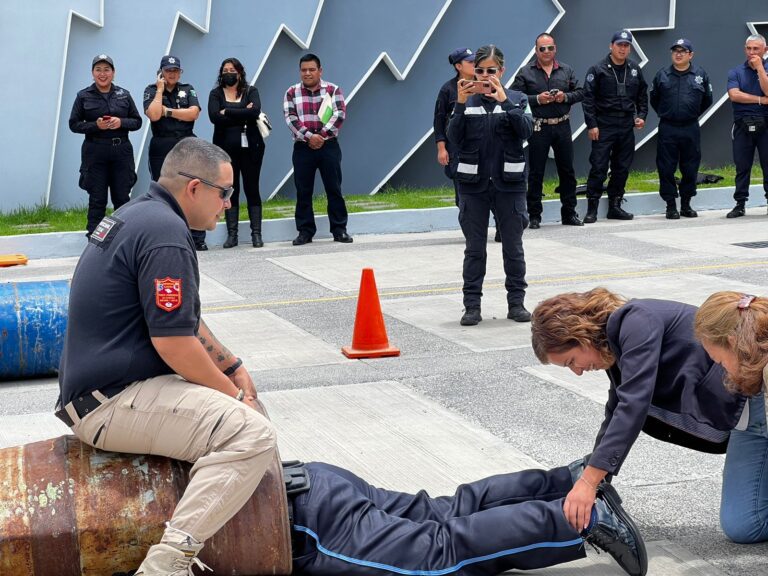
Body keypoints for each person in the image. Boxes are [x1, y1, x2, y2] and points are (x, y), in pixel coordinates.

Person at [56, 138, 277, 575]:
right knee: (252, 435)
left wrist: (232, 368)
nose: (229, 204)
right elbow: (173, 344)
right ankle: (167, 565)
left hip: (109, 389)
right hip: (110, 403)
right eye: (225, 193)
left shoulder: (142, 214)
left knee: (249, 412)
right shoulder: (166, 235)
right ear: (195, 188)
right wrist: (234, 399)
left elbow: (182, 321)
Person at [530, 288, 746, 534]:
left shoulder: (637, 320)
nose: (577, 372)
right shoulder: (614, 345)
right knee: (742, 528)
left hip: (751, 403)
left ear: (581, 335)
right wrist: (592, 479)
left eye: (570, 361)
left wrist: (589, 482)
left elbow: (633, 404)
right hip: (737, 421)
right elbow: (615, 409)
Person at [286, 459, 647, 576]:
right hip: (305, 478)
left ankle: (581, 517)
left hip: (303, 521)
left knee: (437, 553)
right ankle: (563, 482)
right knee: (440, 511)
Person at [447, 44, 533, 327]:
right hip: (474, 187)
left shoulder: (518, 98)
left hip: (510, 185)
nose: (485, 76)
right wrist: (459, 104)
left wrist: (505, 101)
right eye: (480, 70)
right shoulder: (465, 100)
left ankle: (516, 303)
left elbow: (526, 131)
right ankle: (472, 306)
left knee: (513, 247)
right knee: (474, 249)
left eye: (491, 71)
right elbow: (454, 138)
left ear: (502, 71)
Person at [694, 292, 768, 543]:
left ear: (733, 341)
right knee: (743, 525)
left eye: (720, 360)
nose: (721, 367)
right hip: (755, 415)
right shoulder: (755, 359)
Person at [512, 33, 584, 228]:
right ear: (536, 50)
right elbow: (514, 97)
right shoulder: (525, 72)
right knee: (536, 172)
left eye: (549, 48)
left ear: (555, 49)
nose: (546, 52)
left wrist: (564, 97)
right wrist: (537, 99)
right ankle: (534, 215)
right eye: (542, 48)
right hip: (538, 125)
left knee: (567, 171)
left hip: (562, 124)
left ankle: (569, 213)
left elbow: (581, 92)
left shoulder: (566, 70)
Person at [69, 54, 142, 236]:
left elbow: (137, 121)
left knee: (122, 199)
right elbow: (74, 124)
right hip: (95, 151)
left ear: (113, 73)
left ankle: (124, 239)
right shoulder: (83, 96)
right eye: (98, 70)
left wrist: (121, 123)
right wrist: (96, 126)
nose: (103, 74)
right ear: (92, 73)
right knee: (97, 199)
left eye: (107, 69)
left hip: (121, 152)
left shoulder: (124, 95)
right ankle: (94, 242)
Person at [283, 53, 352, 245]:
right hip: (303, 147)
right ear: (300, 72)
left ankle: (339, 230)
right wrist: (309, 136)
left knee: (334, 188)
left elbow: (339, 114)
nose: (307, 73)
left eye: (311, 69)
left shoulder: (333, 90)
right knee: (303, 190)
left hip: (328, 146)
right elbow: (290, 118)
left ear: (320, 71)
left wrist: (321, 135)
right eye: (304, 70)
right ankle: (305, 232)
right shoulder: (291, 92)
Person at [434, 48, 501, 243]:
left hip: (484, 145)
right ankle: (472, 230)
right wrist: (441, 147)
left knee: (493, 186)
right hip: (458, 147)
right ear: (458, 66)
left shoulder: (487, 84)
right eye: (470, 62)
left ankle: (501, 227)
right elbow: (439, 120)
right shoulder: (448, 89)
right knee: (463, 190)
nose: (475, 65)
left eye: (476, 62)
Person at [582, 30, 648, 224]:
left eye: (626, 45)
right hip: (604, 125)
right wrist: (591, 125)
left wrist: (641, 116)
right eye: (619, 45)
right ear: (611, 46)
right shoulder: (598, 69)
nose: (623, 48)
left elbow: (642, 96)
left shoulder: (635, 69)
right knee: (599, 166)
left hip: (626, 125)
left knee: (622, 167)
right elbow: (588, 99)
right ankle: (592, 208)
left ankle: (615, 206)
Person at [143, 55, 205, 250]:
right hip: (161, 145)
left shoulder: (188, 89)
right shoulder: (151, 90)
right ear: (161, 72)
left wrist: (168, 112)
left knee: (193, 189)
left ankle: (196, 237)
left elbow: (193, 113)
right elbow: (153, 114)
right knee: (164, 190)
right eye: (168, 71)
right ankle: (165, 235)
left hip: (186, 143)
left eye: (175, 71)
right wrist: (160, 90)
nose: (172, 74)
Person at [650, 39, 713, 220]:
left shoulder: (700, 75)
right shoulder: (662, 75)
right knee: (666, 167)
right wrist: (669, 113)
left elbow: (707, 100)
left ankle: (686, 204)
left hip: (690, 127)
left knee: (690, 167)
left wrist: (690, 113)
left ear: (690, 55)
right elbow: (654, 99)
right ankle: (671, 205)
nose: (678, 54)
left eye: (683, 51)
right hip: (668, 127)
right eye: (675, 51)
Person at [208, 57, 265, 248]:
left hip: (252, 149)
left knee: (252, 188)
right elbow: (214, 117)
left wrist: (228, 111)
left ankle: (256, 234)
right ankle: (232, 235)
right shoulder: (216, 93)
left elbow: (255, 111)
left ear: (239, 73)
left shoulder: (251, 91)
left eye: (232, 70)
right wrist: (242, 111)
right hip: (225, 152)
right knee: (231, 191)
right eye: (225, 70)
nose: (228, 73)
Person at [725, 34, 768, 219]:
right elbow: (734, 95)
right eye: (748, 48)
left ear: (764, 50)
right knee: (742, 166)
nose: (751, 52)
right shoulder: (735, 71)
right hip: (742, 125)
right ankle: (740, 204)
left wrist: (760, 69)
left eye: (756, 49)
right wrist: (761, 99)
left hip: (766, 124)